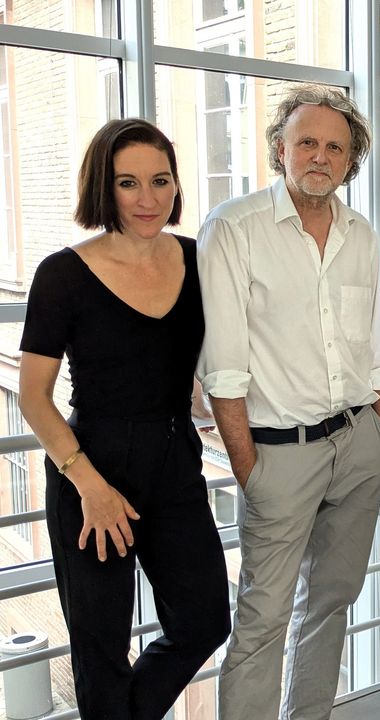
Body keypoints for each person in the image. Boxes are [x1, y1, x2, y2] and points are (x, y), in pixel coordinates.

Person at [198, 84, 380, 720]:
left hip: (358, 443)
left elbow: (374, 341)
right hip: (277, 455)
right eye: (306, 142)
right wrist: (250, 469)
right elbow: (223, 370)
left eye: (335, 147)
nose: (320, 155)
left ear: (351, 160)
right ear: (279, 150)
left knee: (333, 602)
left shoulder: (360, 233)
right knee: (262, 621)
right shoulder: (234, 228)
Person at [18, 118, 230, 719]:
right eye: (128, 183)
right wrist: (90, 485)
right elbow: (34, 396)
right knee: (101, 651)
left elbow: (202, 366)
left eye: (160, 181)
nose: (148, 198)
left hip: (173, 459)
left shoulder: (197, 261)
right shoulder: (62, 273)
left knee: (204, 619)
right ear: (103, 190)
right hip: (91, 468)